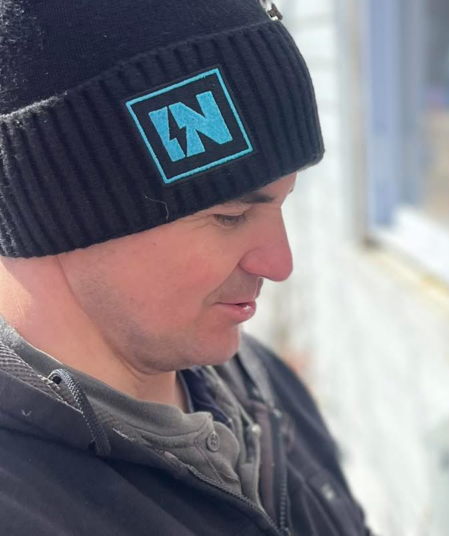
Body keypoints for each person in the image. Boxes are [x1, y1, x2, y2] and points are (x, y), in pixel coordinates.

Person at [0, 1, 370, 534]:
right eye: (231, 215)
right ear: (60, 212)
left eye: (282, 203)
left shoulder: (260, 385)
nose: (280, 263)